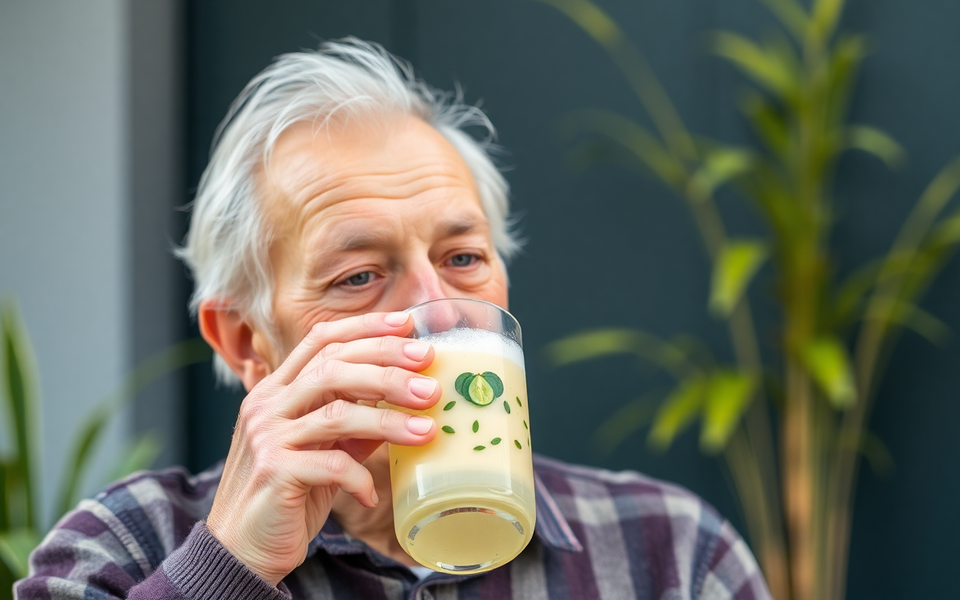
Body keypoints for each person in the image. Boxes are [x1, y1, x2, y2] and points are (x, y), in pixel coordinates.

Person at [16, 38, 771, 600]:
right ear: (248, 341)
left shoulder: (670, 553)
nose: (436, 308)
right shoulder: (123, 546)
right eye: (359, 275)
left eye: (463, 257)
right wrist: (229, 568)